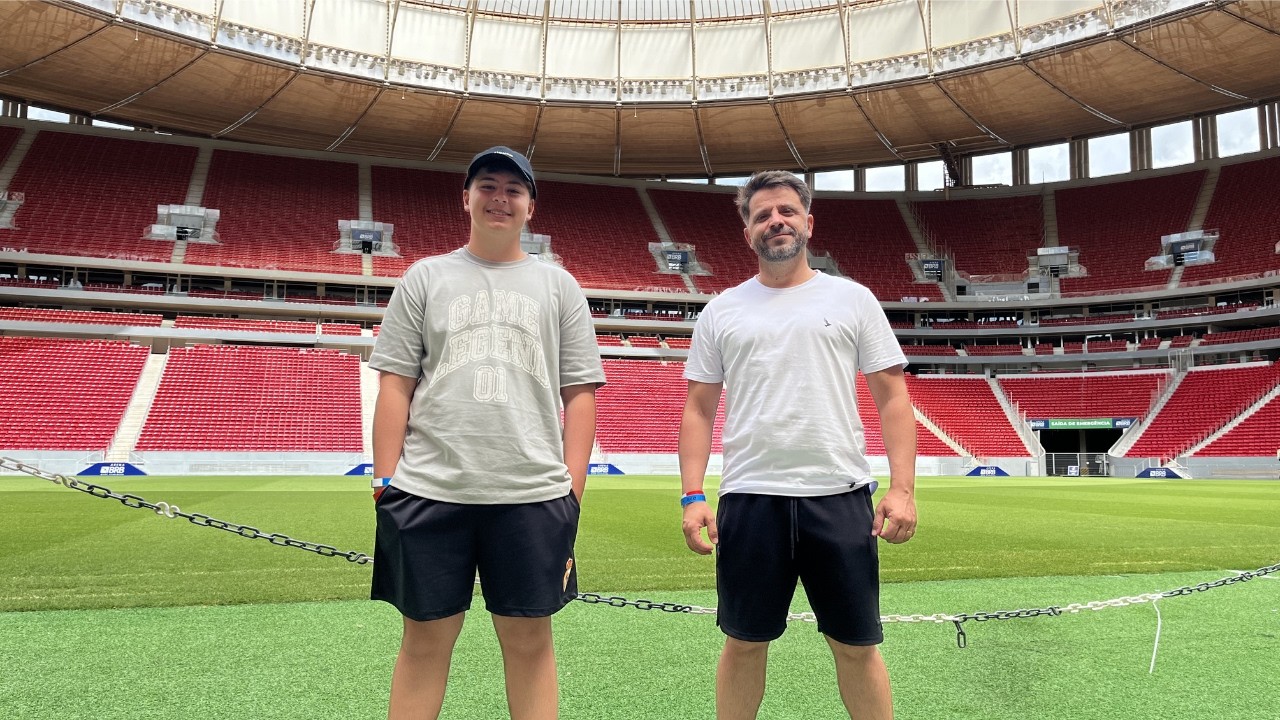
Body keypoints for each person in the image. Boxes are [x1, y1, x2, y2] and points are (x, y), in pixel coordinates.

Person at [368, 146, 605, 720]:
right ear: (466, 197)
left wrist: (572, 491)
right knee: (424, 641)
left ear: (530, 206)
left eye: (513, 190)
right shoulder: (424, 278)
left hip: (531, 495)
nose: (500, 199)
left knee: (529, 642)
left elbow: (581, 393)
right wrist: (383, 478)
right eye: (488, 186)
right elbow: (396, 384)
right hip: (429, 490)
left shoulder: (559, 287)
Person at [678, 170, 918, 720]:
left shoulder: (853, 299)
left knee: (857, 646)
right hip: (750, 498)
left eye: (786, 211)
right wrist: (693, 496)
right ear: (747, 233)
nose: (775, 221)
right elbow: (698, 409)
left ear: (808, 222)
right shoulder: (721, 311)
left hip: (837, 497)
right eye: (762, 215)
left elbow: (893, 400)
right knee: (743, 642)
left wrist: (903, 490)